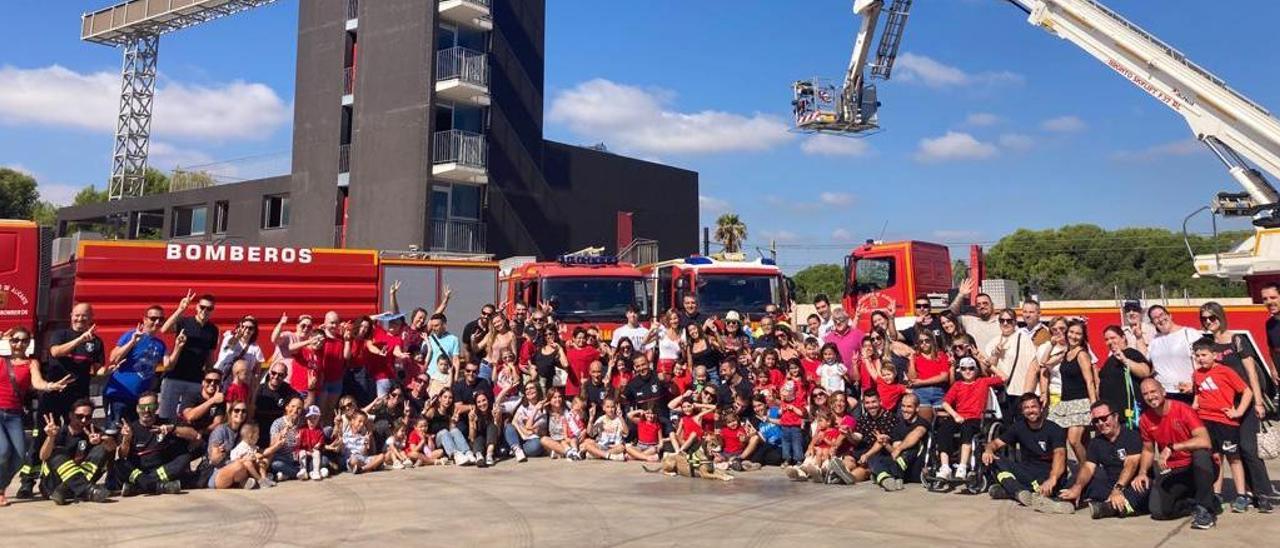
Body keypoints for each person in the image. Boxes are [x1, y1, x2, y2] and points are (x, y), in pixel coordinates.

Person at [1200, 301, 1276, 508]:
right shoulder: (1207, 344)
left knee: (1249, 449)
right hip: (1223, 406)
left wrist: (1259, 403)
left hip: (1247, 401)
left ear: (1220, 317)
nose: (1208, 322)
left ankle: (1264, 494)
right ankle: (1249, 492)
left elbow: (1251, 372)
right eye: (1204, 319)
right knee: (1233, 451)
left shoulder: (1237, 340)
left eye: (1212, 317)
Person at [1133, 378, 1218, 529]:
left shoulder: (1182, 409)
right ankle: (1193, 503)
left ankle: (1206, 510)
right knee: (1158, 511)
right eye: (1145, 394)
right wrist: (1142, 472)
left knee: (1201, 454)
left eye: (1153, 391)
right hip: (1174, 469)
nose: (1150, 396)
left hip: (1198, 467)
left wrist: (1173, 447)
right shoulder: (1145, 419)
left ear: (1163, 392)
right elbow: (1148, 449)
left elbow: (1205, 441)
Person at [2, 327, 73, 506]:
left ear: (28, 343)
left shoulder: (32, 363)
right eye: (15, 340)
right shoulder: (1, 360)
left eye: (24, 340)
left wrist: (50, 386)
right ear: (8, 341)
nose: (19, 344)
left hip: (14, 414)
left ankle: (0, 486)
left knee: (19, 457)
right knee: (2, 452)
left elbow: (37, 382)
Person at [1189, 338, 1254, 513]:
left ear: (1214, 355)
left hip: (1225, 421)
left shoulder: (1226, 372)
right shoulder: (1196, 374)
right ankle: (1216, 494)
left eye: (1204, 355)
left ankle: (1242, 495)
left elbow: (1247, 391)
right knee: (1216, 458)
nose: (1200, 358)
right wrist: (1195, 405)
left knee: (1233, 457)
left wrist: (1238, 412)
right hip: (1205, 421)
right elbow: (1198, 391)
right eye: (1197, 356)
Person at [1056, 401, 1149, 519]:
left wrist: (1118, 489)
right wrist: (1078, 486)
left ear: (1115, 416)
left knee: (1142, 487)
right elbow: (1088, 467)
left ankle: (1110, 508)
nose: (1101, 423)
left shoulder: (1132, 436)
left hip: (1131, 484)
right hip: (1110, 486)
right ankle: (1065, 499)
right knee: (1079, 478)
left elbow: (1131, 465)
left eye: (1104, 418)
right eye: (1096, 421)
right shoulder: (1096, 442)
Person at [982, 394, 1071, 512]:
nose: (1030, 411)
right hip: (1027, 472)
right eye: (1026, 408)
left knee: (1046, 485)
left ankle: (1013, 491)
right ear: (1022, 411)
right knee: (994, 459)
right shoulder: (1018, 427)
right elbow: (995, 443)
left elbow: (1060, 454)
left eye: (1033, 407)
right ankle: (1020, 492)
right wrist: (988, 450)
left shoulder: (1055, 429)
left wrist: (1052, 479)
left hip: (1048, 473)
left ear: (1041, 408)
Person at [935, 356, 1006, 481]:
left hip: (976, 418)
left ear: (976, 370)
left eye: (971, 368)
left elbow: (1004, 378)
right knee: (943, 429)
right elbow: (945, 403)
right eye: (964, 369)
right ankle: (945, 467)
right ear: (960, 371)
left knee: (967, 429)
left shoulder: (983, 381)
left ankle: (962, 466)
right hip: (959, 416)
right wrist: (955, 415)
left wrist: (989, 365)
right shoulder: (957, 385)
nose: (967, 371)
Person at [104, 306, 172, 431]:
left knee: (134, 433)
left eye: (160, 319)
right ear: (145, 319)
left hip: (140, 400)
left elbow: (169, 365)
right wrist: (132, 342)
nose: (157, 322)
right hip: (120, 395)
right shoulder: (131, 335)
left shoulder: (160, 344)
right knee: (114, 432)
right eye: (153, 318)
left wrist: (178, 346)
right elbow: (113, 358)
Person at [117, 391, 198, 496]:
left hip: (162, 471)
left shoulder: (167, 422)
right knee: (119, 464)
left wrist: (172, 429)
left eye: (150, 406)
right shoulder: (130, 428)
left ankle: (140, 487)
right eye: (143, 407)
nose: (146, 410)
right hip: (139, 471)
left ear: (157, 407)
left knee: (185, 457)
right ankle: (161, 487)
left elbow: (195, 435)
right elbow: (122, 455)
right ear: (137, 409)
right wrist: (126, 439)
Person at [37, 399, 113, 505]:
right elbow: (43, 456)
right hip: (52, 483)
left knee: (102, 448)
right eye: (79, 416)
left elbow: (112, 448)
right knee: (58, 453)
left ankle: (65, 490)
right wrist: (50, 437)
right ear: (71, 415)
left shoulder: (93, 432)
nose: (83, 420)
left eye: (88, 417)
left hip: (74, 482)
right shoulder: (59, 432)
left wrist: (103, 440)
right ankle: (87, 490)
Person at [1045, 320, 1098, 468]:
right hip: (1065, 402)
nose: (1074, 336)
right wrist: (1052, 344)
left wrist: (1093, 405)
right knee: (1062, 437)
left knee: (1074, 440)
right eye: (1072, 332)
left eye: (1078, 334)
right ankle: (1088, 467)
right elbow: (1045, 363)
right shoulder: (1066, 353)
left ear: (1082, 337)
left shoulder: (1082, 354)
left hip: (1081, 402)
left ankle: (1086, 470)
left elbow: (1090, 381)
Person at [44, 303, 105, 421]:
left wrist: (109, 370)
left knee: (76, 430)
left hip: (79, 394)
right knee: (49, 430)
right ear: (71, 316)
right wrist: (79, 340)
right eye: (77, 315)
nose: (80, 319)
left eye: (84, 316)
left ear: (91, 318)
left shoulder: (97, 341)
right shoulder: (60, 334)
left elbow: (97, 369)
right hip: (55, 391)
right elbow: (56, 352)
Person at [981, 308, 1038, 421]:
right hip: (1002, 391)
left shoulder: (1024, 339)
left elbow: (1033, 366)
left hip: (1020, 390)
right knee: (1006, 427)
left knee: (1022, 425)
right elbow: (987, 370)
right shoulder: (993, 342)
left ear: (1015, 322)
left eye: (1009, 320)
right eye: (1002, 320)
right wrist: (995, 354)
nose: (1005, 323)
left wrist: (1027, 394)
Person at [1096, 326, 1152, 430]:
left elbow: (1145, 372)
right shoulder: (1110, 360)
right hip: (1113, 417)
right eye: (1107, 339)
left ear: (1123, 337)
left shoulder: (1131, 353)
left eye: (1113, 338)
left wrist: (1124, 360)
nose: (1109, 342)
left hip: (1129, 416)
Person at [1146, 305, 1197, 404]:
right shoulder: (1154, 340)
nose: (1160, 319)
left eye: (1161, 315)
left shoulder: (1190, 333)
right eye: (1155, 318)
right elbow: (1146, 363)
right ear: (1153, 323)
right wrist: (1139, 337)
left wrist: (1195, 385)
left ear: (1170, 315)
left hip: (1187, 393)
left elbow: (1203, 362)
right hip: (1164, 395)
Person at [254, 362, 300, 447]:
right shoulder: (259, 390)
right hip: (259, 430)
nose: (276, 377)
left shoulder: (288, 391)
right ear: (270, 372)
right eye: (274, 373)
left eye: (280, 375)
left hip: (279, 431)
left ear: (285, 376)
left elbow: (300, 402)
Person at [907, 331, 950, 422]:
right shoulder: (916, 357)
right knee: (925, 423)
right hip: (921, 393)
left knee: (942, 424)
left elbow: (944, 377)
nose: (924, 343)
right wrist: (911, 361)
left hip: (939, 392)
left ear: (932, 341)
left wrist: (922, 382)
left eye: (927, 340)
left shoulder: (941, 355)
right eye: (921, 342)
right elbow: (912, 379)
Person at [947, 278, 1001, 350]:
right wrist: (961, 295)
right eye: (978, 304)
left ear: (992, 305)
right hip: (977, 360)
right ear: (975, 308)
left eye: (985, 303)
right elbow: (948, 315)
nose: (982, 306)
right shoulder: (969, 321)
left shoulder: (1003, 321)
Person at [505, 382, 548, 462]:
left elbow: (529, 428)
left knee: (536, 446)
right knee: (509, 427)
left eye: (532, 388)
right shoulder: (523, 406)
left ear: (538, 390)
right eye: (527, 389)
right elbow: (514, 422)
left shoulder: (543, 408)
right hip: (520, 438)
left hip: (533, 440)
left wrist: (535, 410)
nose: (529, 391)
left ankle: (515, 448)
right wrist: (522, 432)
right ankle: (517, 449)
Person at [214, 315, 265, 380]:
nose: (247, 330)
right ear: (240, 326)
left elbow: (257, 372)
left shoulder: (256, 348)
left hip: (238, 384)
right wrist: (237, 336)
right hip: (220, 378)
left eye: (250, 328)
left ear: (254, 331)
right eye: (244, 327)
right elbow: (230, 344)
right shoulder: (229, 336)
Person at [267, 397, 305, 481]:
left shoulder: (303, 422)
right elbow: (271, 446)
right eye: (293, 406)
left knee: (323, 460)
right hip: (283, 458)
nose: (295, 410)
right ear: (287, 407)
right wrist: (281, 435)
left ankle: (288, 474)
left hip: (299, 458)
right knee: (276, 464)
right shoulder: (277, 423)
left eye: (299, 408)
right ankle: (301, 473)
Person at [423, 313, 462, 391]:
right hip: (430, 378)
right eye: (432, 325)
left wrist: (456, 377)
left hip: (445, 378)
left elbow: (456, 360)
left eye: (436, 325)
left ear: (444, 325)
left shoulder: (453, 339)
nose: (434, 328)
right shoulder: (428, 340)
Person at [823, 308, 865, 377]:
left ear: (847, 320)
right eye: (835, 320)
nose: (838, 322)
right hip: (836, 378)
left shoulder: (858, 334)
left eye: (841, 320)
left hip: (857, 378)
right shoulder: (828, 338)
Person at [467, 390, 502, 467]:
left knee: (492, 426)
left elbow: (498, 434)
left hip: (493, 444)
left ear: (488, 400)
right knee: (479, 437)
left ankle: (489, 455)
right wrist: (471, 422)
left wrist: (496, 419)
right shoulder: (474, 414)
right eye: (479, 402)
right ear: (476, 404)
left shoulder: (494, 411)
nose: (482, 404)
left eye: (484, 400)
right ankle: (479, 457)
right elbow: (472, 438)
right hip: (479, 444)